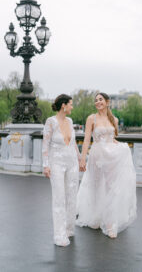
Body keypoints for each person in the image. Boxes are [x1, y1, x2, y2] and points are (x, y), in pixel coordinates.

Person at [76, 92, 137, 238]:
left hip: (111, 157)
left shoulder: (114, 119)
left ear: (107, 102)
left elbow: (112, 139)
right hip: (97, 156)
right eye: (96, 100)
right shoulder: (91, 118)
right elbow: (86, 140)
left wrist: (123, 147)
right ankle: (96, 216)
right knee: (96, 187)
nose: (98, 102)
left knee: (111, 188)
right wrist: (82, 159)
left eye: (100, 99)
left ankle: (110, 223)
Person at [42, 94, 80, 247]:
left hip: (72, 163)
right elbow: (45, 144)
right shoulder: (51, 122)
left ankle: (69, 229)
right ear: (64, 105)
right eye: (71, 104)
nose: (72, 107)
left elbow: (73, 143)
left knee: (71, 197)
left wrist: (80, 158)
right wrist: (46, 165)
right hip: (56, 163)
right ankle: (59, 235)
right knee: (59, 198)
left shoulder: (70, 121)